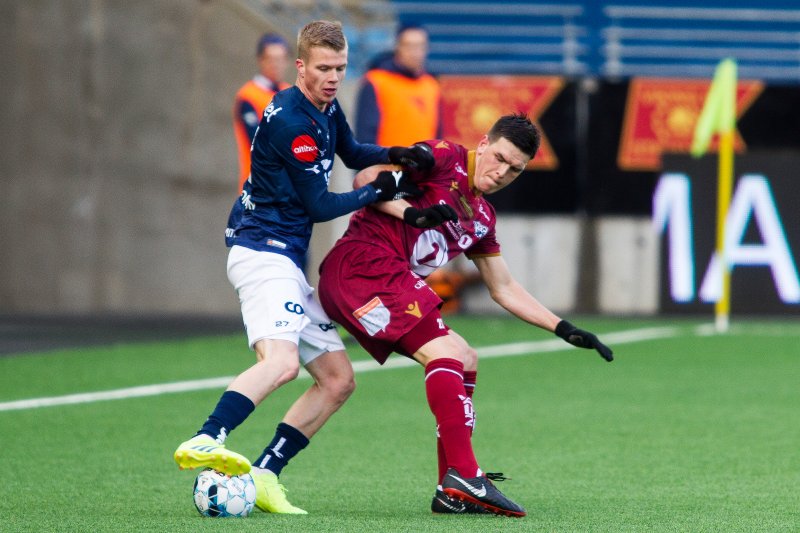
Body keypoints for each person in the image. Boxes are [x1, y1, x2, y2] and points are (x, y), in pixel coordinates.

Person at [173, 20, 441, 515]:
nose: (334, 77)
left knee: (338, 378)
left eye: (340, 68)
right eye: (323, 68)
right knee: (281, 363)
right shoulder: (292, 121)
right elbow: (319, 206)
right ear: (301, 67)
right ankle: (207, 437)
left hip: (286, 255)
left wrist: (398, 155)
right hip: (262, 251)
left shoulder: (325, 103)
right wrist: (380, 190)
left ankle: (265, 474)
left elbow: (354, 151)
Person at [317, 113, 614, 517]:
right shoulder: (442, 158)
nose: (503, 171)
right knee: (446, 353)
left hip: (390, 282)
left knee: (466, 356)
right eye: (501, 158)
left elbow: (504, 287)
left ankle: (451, 488)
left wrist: (563, 328)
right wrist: (412, 213)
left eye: (516, 169)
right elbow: (364, 177)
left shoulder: (482, 218)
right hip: (361, 269)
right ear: (483, 143)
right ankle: (467, 473)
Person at [354, 22, 441, 146]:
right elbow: (365, 136)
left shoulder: (431, 85)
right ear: (397, 47)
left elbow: (437, 135)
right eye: (409, 46)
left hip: (423, 164)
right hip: (387, 164)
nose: (415, 53)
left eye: (420, 46)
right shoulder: (376, 81)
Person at [233, 33, 292, 192]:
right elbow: (258, 142)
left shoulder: (291, 94)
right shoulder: (248, 95)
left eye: (281, 59)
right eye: (271, 59)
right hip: (258, 188)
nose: (276, 64)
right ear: (261, 59)